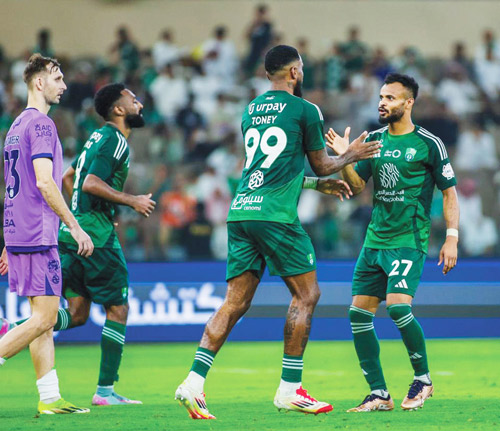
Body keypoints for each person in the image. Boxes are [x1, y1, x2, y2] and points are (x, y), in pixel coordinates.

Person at [174, 44, 381, 420]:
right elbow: (323, 163)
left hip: (242, 211)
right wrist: (352, 154)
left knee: (234, 302)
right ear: (294, 72)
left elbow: (267, 167)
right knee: (307, 294)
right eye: (301, 67)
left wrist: (314, 185)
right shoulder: (306, 110)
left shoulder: (251, 110)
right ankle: (289, 389)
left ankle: (192, 383)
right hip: (275, 217)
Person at [2, 83, 156, 406]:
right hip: (96, 239)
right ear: (118, 109)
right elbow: (90, 183)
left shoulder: (96, 137)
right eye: (133, 99)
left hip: (71, 236)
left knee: (77, 313)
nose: (139, 103)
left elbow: (68, 177)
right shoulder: (116, 140)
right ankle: (105, 392)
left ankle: (11, 329)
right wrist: (132, 201)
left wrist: (82, 216)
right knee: (118, 309)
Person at [324, 73, 459, 412]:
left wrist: (451, 237)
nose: (382, 102)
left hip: (408, 239)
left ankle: (423, 379)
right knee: (358, 314)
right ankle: (379, 394)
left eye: (390, 98)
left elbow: (449, 193)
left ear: (408, 103)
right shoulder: (374, 141)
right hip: (374, 241)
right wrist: (345, 158)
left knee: (398, 306)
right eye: (381, 96)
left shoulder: (429, 143)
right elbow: (356, 186)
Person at [0, 53, 94, 415]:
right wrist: (74, 224)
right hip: (38, 233)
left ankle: (50, 397)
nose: (64, 85)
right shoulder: (41, 125)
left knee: (40, 319)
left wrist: (8, 242)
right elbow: (42, 181)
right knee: (46, 318)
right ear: (39, 83)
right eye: (57, 78)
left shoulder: (15, 126)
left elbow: (14, 185)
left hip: (19, 231)